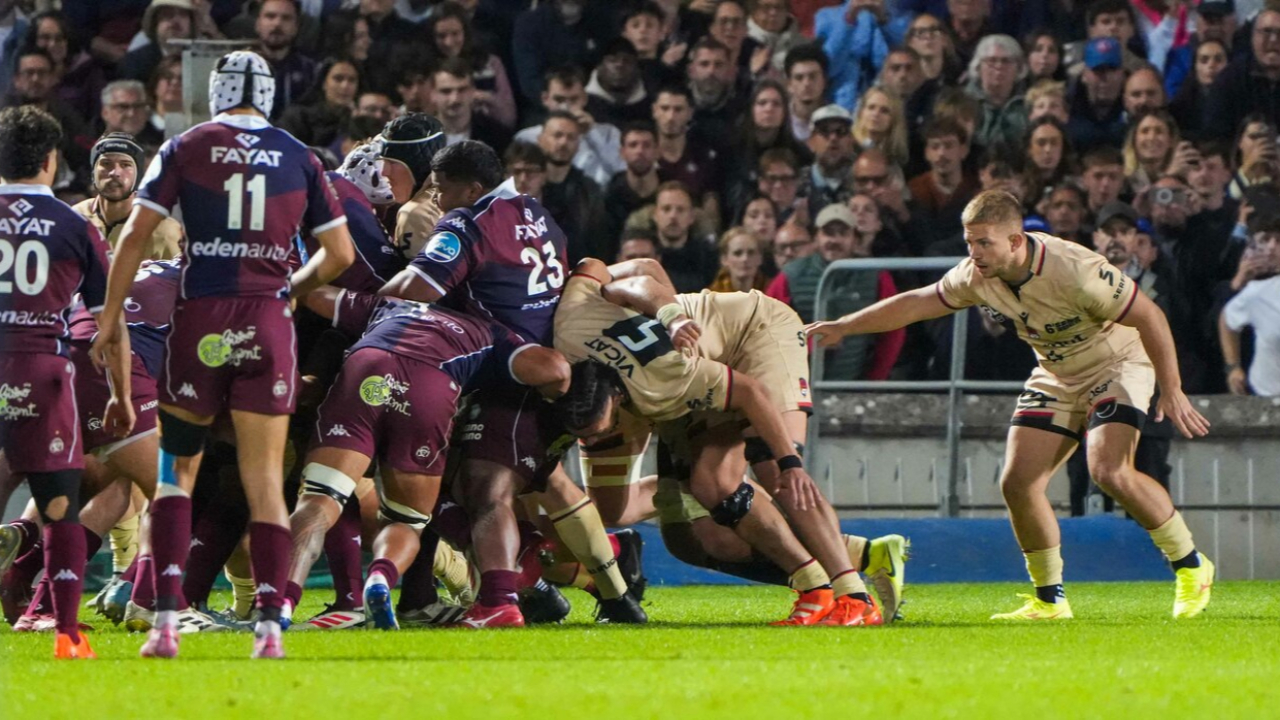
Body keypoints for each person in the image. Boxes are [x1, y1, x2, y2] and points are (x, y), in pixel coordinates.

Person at [808, 189, 1216, 621]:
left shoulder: (1075, 269)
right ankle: (1050, 600)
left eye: (984, 242)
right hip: (1056, 372)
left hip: (1116, 364)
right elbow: (918, 303)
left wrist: (1172, 388)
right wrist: (845, 326)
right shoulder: (975, 274)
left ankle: (1192, 566)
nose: (974, 252)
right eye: (970, 242)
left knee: (1108, 469)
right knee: (1018, 483)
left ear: (1016, 241)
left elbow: (1149, 315)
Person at [92, 51, 356, 660]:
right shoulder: (299, 155)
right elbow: (339, 254)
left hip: (201, 323)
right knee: (263, 479)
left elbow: (134, 236)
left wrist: (108, 319)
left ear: (215, 93)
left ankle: (163, 622)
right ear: (267, 95)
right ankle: (268, 630)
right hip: (267, 324)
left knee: (175, 476)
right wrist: (290, 290)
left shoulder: (185, 146)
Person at [377, 140, 644, 628]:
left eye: (442, 188)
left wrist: (369, 300)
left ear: (472, 188)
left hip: (511, 372)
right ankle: (613, 590)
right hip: (552, 365)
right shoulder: (535, 211)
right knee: (549, 481)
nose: (436, 198)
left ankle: (503, 597)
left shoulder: (467, 223)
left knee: (483, 489)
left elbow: (419, 288)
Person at [553, 258, 896, 626]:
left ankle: (852, 596)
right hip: (692, 365)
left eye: (598, 431)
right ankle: (838, 569)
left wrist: (790, 462)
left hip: (756, 331)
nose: (593, 440)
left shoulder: (662, 381)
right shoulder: (567, 326)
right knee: (693, 526)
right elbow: (601, 267)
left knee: (771, 469)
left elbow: (749, 392)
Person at [0, 105, 132, 659]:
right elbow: (109, 323)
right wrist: (122, 395)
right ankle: (66, 633)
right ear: (52, 160)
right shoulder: (75, 225)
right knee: (59, 506)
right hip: (44, 371)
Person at [766, 203, 903, 380]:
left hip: (853, 383)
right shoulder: (791, 275)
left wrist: (874, 380)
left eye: (843, 233)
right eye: (828, 232)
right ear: (816, 237)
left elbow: (893, 330)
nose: (835, 240)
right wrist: (810, 343)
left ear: (855, 239)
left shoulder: (876, 275)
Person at [71, 133, 182, 259]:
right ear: (93, 172)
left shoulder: (165, 231)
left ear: (139, 175)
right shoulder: (74, 218)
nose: (114, 173)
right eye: (106, 163)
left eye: (125, 165)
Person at [514, 66, 624, 188]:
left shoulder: (609, 134)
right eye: (559, 100)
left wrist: (592, 133)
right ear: (545, 99)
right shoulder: (526, 138)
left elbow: (622, 173)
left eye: (573, 100)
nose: (565, 107)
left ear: (584, 98)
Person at [428, 2, 516, 130]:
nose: (449, 42)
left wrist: (485, 98)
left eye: (455, 34)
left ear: (466, 32)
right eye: (441, 36)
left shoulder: (490, 63)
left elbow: (509, 116)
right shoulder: (425, 70)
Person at [1220, 214, 1280, 396]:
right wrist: (1233, 367)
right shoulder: (1259, 291)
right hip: (1266, 396)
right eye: (1269, 240)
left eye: (1278, 241)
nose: (1272, 247)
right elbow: (1227, 319)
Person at [1204, 9, 1280, 142]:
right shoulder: (1229, 80)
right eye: (1266, 32)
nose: (1274, 40)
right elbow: (1213, 140)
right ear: (1253, 37)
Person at [651, 181, 719, 292]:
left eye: (680, 210)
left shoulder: (708, 257)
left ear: (691, 216)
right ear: (655, 214)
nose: (673, 216)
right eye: (666, 209)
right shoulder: (642, 253)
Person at [432, 59, 511, 153]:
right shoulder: (419, 138)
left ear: (473, 91)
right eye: (446, 91)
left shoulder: (498, 136)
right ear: (432, 94)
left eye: (462, 90)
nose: (455, 99)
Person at [784, 43, 828, 142]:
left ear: (824, 81)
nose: (806, 83)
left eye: (813, 77)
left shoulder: (839, 120)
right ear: (789, 84)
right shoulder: (778, 120)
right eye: (799, 78)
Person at [708, 226, 770, 291]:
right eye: (737, 253)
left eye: (751, 253)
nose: (745, 259)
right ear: (724, 259)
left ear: (760, 258)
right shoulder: (711, 295)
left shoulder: (772, 292)